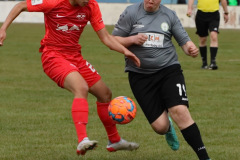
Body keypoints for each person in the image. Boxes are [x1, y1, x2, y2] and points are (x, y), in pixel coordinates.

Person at [0, 0, 140, 156]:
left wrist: (124, 51)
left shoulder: (91, 6)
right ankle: (82, 140)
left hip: (75, 57)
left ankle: (114, 140)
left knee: (105, 93)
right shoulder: (53, 2)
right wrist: (3, 29)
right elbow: (20, 5)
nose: (88, 0)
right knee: (81, 88)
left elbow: (105, 37)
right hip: (53, 56)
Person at [112, 0, 211, 160]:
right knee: (160, 127)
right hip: (139, 76)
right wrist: (132, 40)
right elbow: (113, 39)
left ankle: (204, 157)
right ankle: (168, 126)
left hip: (168, 70)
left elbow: (184, 42)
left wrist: (190, 49)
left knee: (180, 111)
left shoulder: (169, 15)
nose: (151, 0)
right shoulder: (131, 13)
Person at [187, 0, 229, 70]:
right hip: (201, 15)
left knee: (214, 36)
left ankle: (213, 62)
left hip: (214, 14)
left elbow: (223, 0)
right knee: (202, 39)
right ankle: (204, 63)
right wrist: (189, 8)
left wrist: (226, 12)